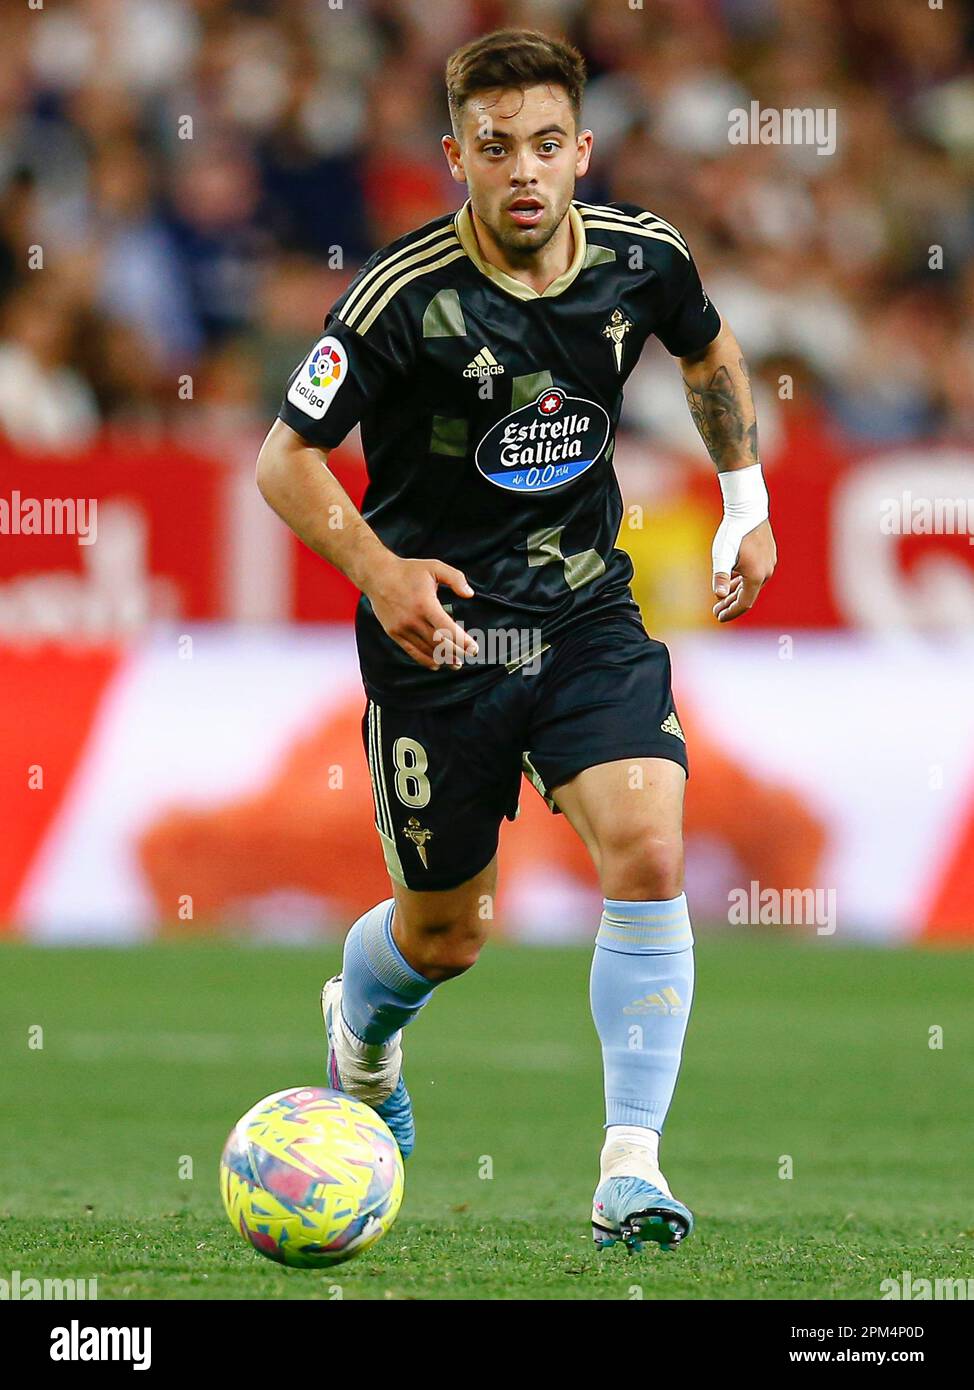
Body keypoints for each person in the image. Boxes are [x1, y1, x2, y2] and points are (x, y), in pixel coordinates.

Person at [256, 28, 777, 1253]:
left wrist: (745, 505)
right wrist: (380, 573)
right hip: (440, 643)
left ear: (582, 150)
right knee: (448, 933)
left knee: (647, 845)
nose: (525, 172)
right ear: (456, 158)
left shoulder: (643, 259)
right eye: (496, 150)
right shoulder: (399, 299)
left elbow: (707, 346)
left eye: (548, 145)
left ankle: (629, 1169)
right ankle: (363, 1034)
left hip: (585, 615)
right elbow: (284, 462)